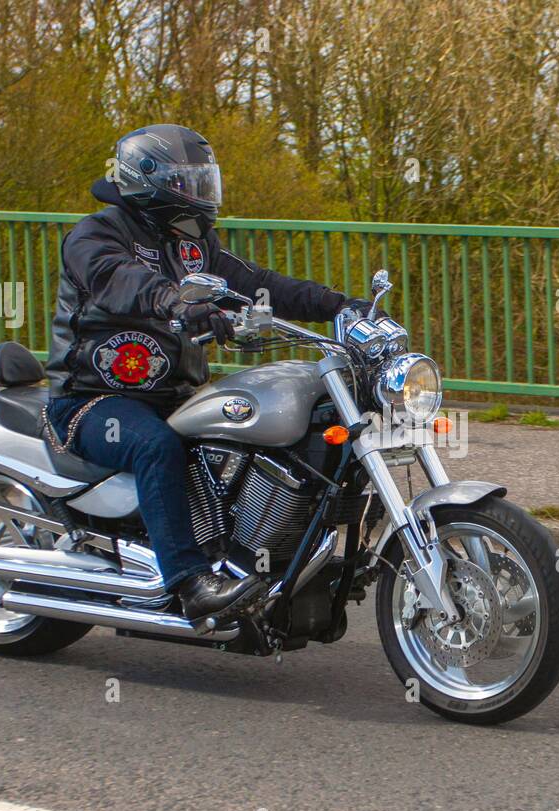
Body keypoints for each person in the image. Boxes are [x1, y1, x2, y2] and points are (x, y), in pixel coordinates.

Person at [44, 124, 375, 621]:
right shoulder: (96, 234)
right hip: (92, 400)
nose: (198, 193)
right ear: (145, 178)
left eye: (202, 181)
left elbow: (257, 283)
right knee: (155, 445)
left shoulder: (192, 244)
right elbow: (116, 279)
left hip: (174, 394)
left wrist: (341, 307)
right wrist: (175, 300)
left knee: (264, 430)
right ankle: (189, 582)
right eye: (185, 182)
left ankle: (265, 560)